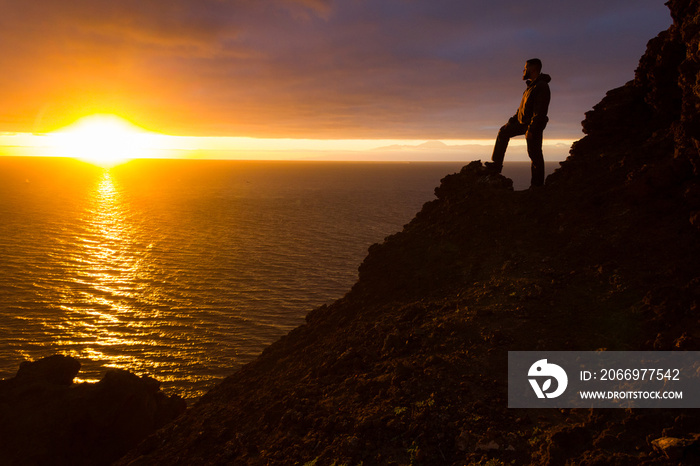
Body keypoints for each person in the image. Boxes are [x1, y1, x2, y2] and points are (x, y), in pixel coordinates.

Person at [485, 58, 551, 187]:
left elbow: (540, 111)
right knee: (503, 131)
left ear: (533, 69)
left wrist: (531, 129)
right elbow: (522, 109)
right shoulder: (531, 86)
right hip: (523, 123)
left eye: (526, 68)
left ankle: (537, 186)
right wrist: (511, 121)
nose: (523, 70)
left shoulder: (541, 86)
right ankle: (496, 165)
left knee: (535, 153)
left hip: (532, 124)